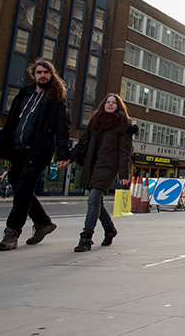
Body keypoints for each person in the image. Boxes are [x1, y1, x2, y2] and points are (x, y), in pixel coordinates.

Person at [0, 59, 71, 251]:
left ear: (51, 75)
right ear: (33, 75)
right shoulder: (24, 95)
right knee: (17, 184)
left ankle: (12, 233)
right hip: (19, 149)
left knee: (24, 190)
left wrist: (62, 153)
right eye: (39, 72)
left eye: (46, 72)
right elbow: (10, 125)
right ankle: (43, 222)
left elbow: (62, 127)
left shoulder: (56, 98)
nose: (43, 75)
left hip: (39, 150)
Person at [60, 94, 136, 252]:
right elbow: (82, 142)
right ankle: (110, 230)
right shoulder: (95, 121)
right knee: (97, 202)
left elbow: (125, 151)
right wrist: (68, 158)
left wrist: (124, 174)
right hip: (91, 165)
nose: (110, 105)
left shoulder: (124, 124)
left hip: (107, 167)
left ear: (118, 106)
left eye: (113, 103)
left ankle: (86, 237)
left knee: (93, 199)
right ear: (103, 104)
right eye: (107, 102)